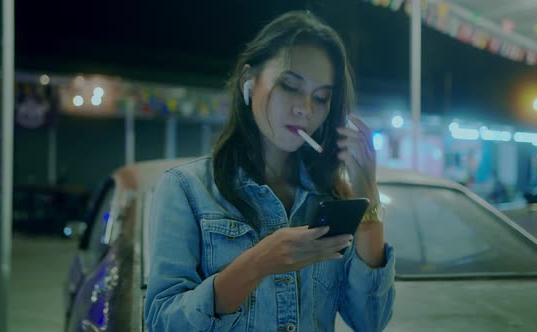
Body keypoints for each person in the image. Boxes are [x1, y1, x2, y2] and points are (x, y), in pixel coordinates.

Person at [145, 10, 395, 332]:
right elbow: (162, 322)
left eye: (321, 97)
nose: (305, 108)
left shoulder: (329, 198)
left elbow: (370, 321)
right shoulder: (186, 189)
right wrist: (256, 263)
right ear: (248, 82)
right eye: (290, 86)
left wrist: (367, 197)